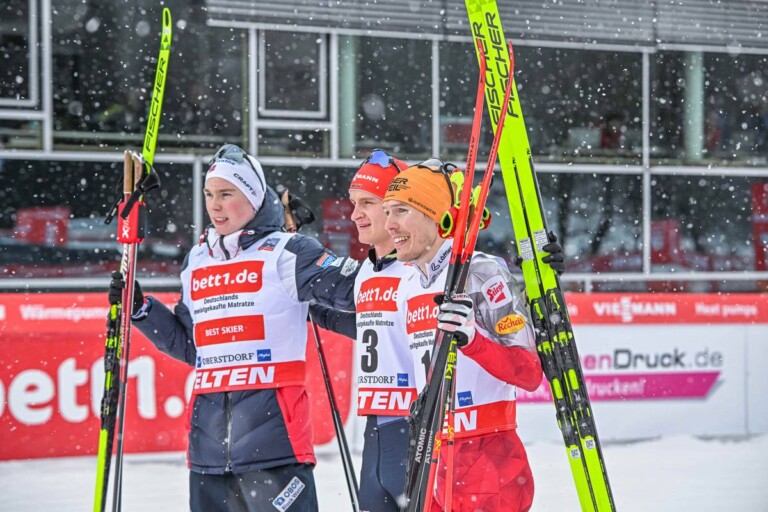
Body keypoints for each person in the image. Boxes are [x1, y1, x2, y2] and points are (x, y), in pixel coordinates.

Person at [108, 144, 359, 512]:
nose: (215, 205)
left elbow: (359, 294)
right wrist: (141, 309)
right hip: (208, 452)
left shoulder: (288, 252)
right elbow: (193, 346)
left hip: (275, 448)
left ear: (255, 198)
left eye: (227, 194)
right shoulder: (197, 260)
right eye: (210, 194)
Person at [381, 160, 562, 512]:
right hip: (435, 457)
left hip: (489, 458)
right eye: (387, 211)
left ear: (435, 216)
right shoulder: (406, 283)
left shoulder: (481, 273)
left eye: (401, 210)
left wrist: (472, 339)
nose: (390, 224)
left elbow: (528, 373)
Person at [310, 149, 417, 512]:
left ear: (395, 208)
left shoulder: (424, 265)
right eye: (353, 202)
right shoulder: (368, 270)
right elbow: (372, 327)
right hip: (376, 425)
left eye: (367, 203)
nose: (354, 214)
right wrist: (315, 313)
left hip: (416, 424)